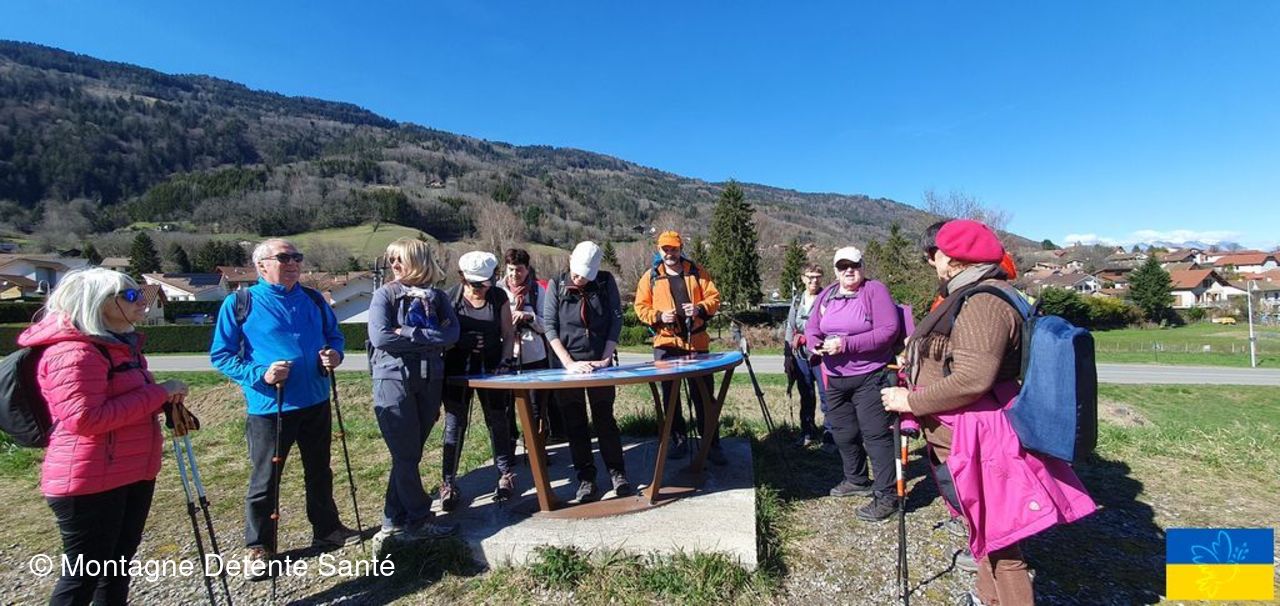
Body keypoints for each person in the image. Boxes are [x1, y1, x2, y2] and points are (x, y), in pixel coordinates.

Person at [881, 219, 1096, 606]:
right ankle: (987, 598)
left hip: (980, 437)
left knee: (1004, 545)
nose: (932, 262)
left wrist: (909, 402)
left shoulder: (982, 302)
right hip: (968, 432)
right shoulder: (976, 293)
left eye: (935, 254)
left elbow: (971, 379)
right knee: (986, 531)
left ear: (954, 257)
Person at [17, 268, 189, 605]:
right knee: (82, 577)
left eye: (139, 293)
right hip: (90, 479)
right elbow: (85, 419)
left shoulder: (119, 348)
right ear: (97, 302)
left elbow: (124, 404)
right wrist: (159, 393)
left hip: (128, 471)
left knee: (116, 568)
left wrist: (162, 398)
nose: (140, 301)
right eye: (129, 295)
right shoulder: (75, 353)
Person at [210, 239, 358, 564]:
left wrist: (335, 354)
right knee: (266, 478)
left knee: (320, 471)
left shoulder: (313, 299)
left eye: (297, 257)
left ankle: (327, 529)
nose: (293, 263)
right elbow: (221, 355)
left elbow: (335, 337)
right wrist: (260, 374)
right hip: (270, 406)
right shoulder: (240, 303)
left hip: (315, 399)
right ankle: (259, 546)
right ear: (261, 265)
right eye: (284, 258)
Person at [367, 238, 460, 543]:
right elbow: (381, 338)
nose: (394, 265)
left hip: (430, 380)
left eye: (400, 259)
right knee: (406, 453)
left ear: (419, 260)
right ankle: (419, 518)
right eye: (391, 259)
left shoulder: (438, 297)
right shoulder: (385, 295)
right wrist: (430, 339)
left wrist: (408, 332)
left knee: (409, 454)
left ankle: (392, 519)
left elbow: (452, 334)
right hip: (394, 380)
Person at [804, 246, 902, 522]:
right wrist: (815, 343)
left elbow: (888, 331)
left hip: (871, 375)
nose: (849, 270)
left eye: (854, 265)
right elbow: (812, 327)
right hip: (835, 378)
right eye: (842, 266)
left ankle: (887, 496)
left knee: (876, 436)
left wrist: (845, 344)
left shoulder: (875, 291)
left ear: (862, 266)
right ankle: (856, 480)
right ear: (835, 270)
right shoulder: (827, 294)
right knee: (843, 433)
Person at [542, 241, 631, 502]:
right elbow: (550, 327)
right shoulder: (556, 284)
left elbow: (616, 320)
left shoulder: (605, 282)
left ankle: (617, 473)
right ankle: (586, 478)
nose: (580, 279)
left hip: (600, 364)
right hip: (568, 366)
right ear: (570, 260)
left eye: (585, 276)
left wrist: (605, 358)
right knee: (575, 422)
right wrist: (569, 363)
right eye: (577, 274)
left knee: (605, 419)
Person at [632, 230, 725, 463]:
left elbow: (714, 298)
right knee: (670, 399)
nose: (669, 253)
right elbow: (640, 308)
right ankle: (678, 441)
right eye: (665, 249)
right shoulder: (650, 277)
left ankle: (710, 443)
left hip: (697, 342)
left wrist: (700, 308)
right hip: (666, 344)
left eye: (673, 248)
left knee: (704, 396)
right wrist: (659, 316)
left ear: (680, 248)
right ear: (659, 250)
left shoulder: (696, 271)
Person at [440, 251, 517, 509]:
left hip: (492, 370)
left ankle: (505, 475)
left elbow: (508, 333)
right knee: (454, 426)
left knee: (498, 421)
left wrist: (505, 361)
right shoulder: (449, 299)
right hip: (457, 371)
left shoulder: (498, 297)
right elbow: (438, 336)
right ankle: (448, 483)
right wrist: (459, 340)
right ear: (463, 278)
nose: (482, 289)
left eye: (486, 283)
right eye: (476, 284)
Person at [496, 248, 564, 443]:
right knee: (506, 406)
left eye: (519, 270)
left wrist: (529, 317)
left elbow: (548, 324)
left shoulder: (537, 291)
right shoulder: (497, 291)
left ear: (527, 269)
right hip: (506, 355)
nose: (514, 274)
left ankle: (535, 446)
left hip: (535, 354)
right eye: (510, 269)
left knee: (535, 406)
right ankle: (509, 446)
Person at [782, 263, 833, 448]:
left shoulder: (828, 299)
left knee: (827, 396)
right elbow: (790, 327)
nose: (814, 280)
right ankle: (807, 432)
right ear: (803, 278)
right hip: (800, 355)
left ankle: (830, 436)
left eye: (817, 277)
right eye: (810, 277)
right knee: (806, 394)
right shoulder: (797, 300)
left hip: (821, 355)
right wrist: (788, 355)